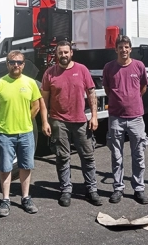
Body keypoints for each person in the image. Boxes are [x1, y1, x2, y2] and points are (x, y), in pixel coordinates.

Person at [41, 40, 102, 207]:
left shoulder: (81, 70)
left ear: (71, 53)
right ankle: (65, 190)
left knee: (88, 157)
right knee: (62, 158)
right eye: (60, 53)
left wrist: (94, 116)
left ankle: (91, 190)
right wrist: (45, 121)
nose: (63, 55)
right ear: (56, 54)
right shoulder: (50, 73)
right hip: (58, 121)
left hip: (81, 121)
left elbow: (91, 93)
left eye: (66, 52)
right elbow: (44, 100)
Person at [0, 50, 42, 217]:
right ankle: (5, 200)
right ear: (7, 64)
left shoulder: (31, 83)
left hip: (26, 132)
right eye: (12, 62)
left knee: (26, 166)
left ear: (23, 65)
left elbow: (36, 106)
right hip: (5, 134)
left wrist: (26, 120)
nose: (16, 65)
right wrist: (2, 124)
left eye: (19, 62)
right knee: (5, 167)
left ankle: (25, 198)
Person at [102, 35, 148, 205]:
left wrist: (131, 100)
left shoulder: (139, 66)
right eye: (120, 47)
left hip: (136, 117)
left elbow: (143, 87)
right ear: (116, 49)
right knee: (116, 155)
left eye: (126, 47)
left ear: (130, 49)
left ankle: (139, 189)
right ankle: (118, 188)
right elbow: (108, 89)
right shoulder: (109, 68)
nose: (123, 50)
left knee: (138, 155)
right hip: (116, 118)